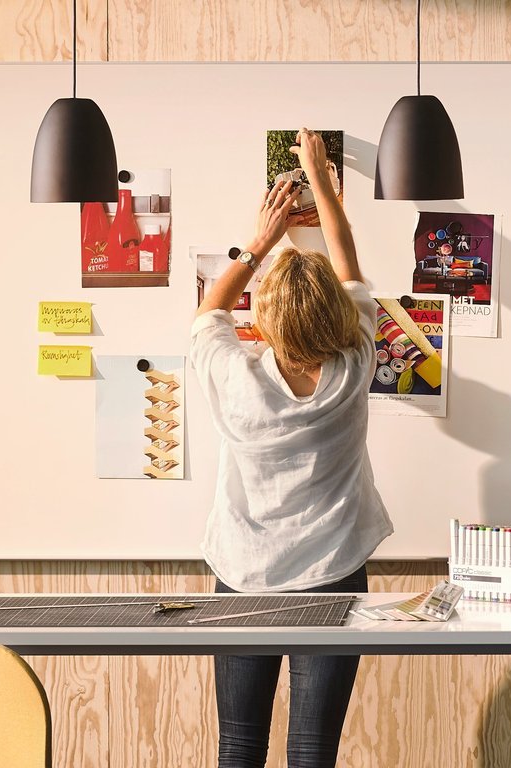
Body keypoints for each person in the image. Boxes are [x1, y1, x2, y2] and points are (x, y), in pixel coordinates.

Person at [190, 128, 392, 768]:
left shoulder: (235, 377)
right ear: (334, 314)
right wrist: (326, 185)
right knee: (312, 753)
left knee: (239, 745)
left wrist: (260, 240)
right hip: (334, 577)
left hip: (242, 575)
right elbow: (349, 265)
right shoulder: (356, 363)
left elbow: (208, 313)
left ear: (267, 322)